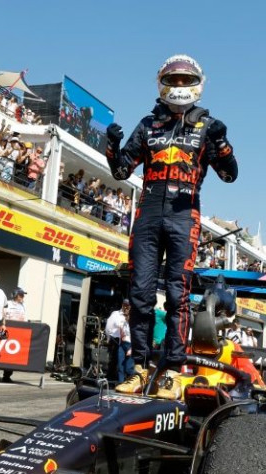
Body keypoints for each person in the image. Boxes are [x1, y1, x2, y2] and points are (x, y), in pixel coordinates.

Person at [106, 54, 238, 398]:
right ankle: (139, 368)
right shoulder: (148, 124)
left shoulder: (208, 126)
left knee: (179, 297)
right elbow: (121, 171)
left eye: (185, 80)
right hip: (148, 214)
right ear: (163, 82)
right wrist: (111, 146)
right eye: (174, 79)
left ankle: (174, 371)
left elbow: (229, 175)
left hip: (185, 215)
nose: (179, 85)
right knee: (140, 296)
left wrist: (221, 144)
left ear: (197, 83)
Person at [105, 300, 135, 383]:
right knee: (119, 363)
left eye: (128, 306)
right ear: (122, 305)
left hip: (129, 343)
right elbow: (109, 327)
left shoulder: (133, 316)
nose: (126, 307)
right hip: (119, 341)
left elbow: (134, 332)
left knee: (129, 366)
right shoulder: (116, 314)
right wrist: (109, 338)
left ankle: (129, 382)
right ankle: (120, 382)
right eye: (124, 305)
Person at [1, 287, 27, 383]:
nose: (23, 297)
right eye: (21, 295)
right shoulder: (8, 303)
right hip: (5, 330)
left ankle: (7, 375)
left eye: (23, 295)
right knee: (0, 350)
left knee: (12, 353)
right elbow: (3, 315)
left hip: (17, 333)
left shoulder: (23, 306)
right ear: (16, 295)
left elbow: (24, 318)